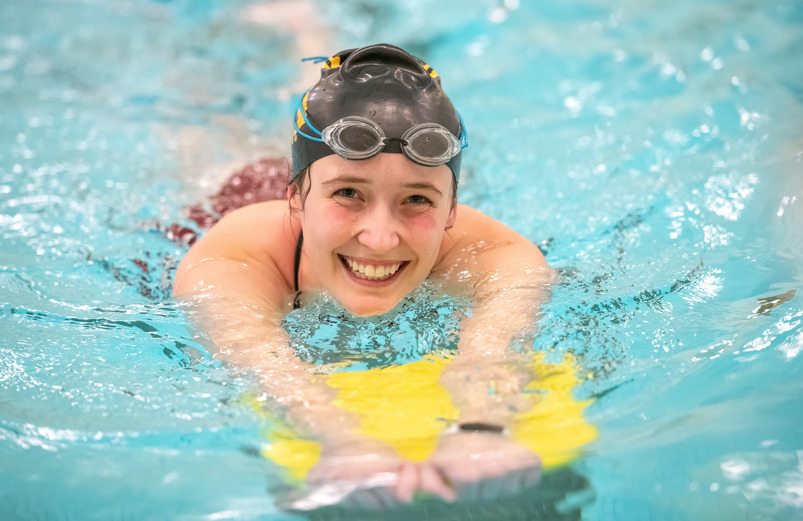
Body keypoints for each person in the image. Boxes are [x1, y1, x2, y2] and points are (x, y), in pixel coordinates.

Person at [173, 43, 555, 505]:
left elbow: (492, 352)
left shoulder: (499, 254)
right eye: (349, 193)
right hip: (232, 193)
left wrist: (482, 427)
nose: (380, 238)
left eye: (417, 200)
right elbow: (269, 372)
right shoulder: (232, 260)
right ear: (294, 198)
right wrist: (344, 441)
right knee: (203, 135)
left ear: (452, 210)